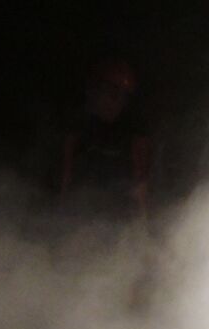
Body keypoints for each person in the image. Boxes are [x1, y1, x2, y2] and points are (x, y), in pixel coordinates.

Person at [53, 58, 156, 221]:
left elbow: (140, 182)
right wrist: (61, 213)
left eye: (122, 97)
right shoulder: (79, 126)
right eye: (111, 94)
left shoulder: (134, 131)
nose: (115, 102)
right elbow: (66, 175)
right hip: (83, 208)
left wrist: (142, 223)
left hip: (118, 211)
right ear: (96, 92)